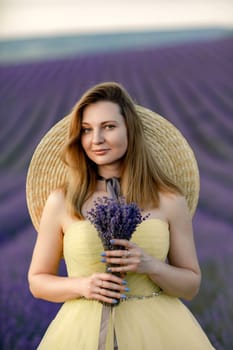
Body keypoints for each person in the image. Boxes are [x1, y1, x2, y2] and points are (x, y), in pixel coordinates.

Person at [27, 82, 215, 349]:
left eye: (109, 127)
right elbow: (37, 281)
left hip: (158, 332)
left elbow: (191, 285)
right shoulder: (62, 200)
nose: (97, 140)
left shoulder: (169, 200)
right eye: (86, 130)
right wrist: (83, 286)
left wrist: (151, 266)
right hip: (81, 333)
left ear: (130, 130)